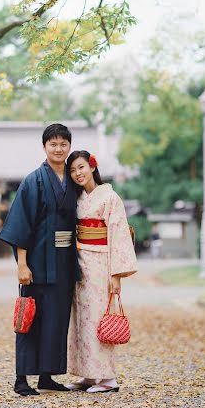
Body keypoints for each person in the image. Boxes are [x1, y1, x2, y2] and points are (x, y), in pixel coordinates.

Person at [0, 123, 81, 396]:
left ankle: (47, 376)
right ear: (44, 147)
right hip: (36, 261)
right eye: (53, 144)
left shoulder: (72, 180)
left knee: (56, 320)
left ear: (69, 146)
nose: (59, 149)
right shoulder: (33, 181)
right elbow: (21, 224)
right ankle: (21, 379)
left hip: (63, 261)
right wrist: (22, 264)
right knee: (30, 319)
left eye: (63, 144)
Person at [66, 150, 137, 393]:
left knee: (98, 319)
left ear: (92, 166)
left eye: (81, 167)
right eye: (73, 169)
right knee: (82, 318)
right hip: (79, 261)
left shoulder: (109, 196)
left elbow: (118, 235)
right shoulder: (76, 199)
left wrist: (115, 275)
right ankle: (88, 374)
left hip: (101, 263)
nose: (78, 173)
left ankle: (107, 378)